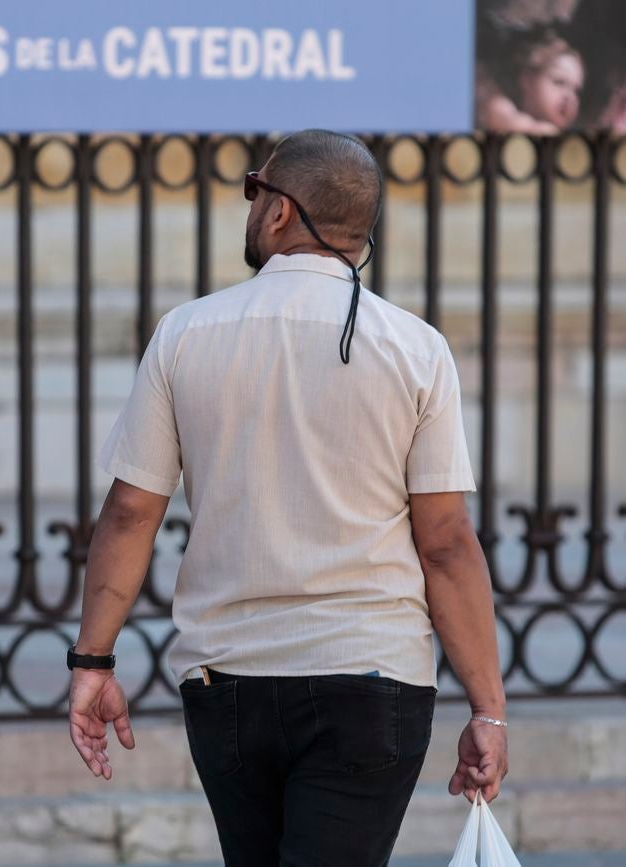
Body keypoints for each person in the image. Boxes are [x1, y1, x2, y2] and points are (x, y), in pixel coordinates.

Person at [66, 130, 509, 865]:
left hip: (228, 684)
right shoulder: (415, 348)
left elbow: (130, 511)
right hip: (373, 681)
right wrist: (487, 709)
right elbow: (446, 542)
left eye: (253, 189)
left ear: (278, 211)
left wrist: (93, 661)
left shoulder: (186, 333)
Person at [477, 29, 584, 133]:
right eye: (559, 82)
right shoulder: (500, 111)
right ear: (527, 80)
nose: (570, 97)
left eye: (576, 91)